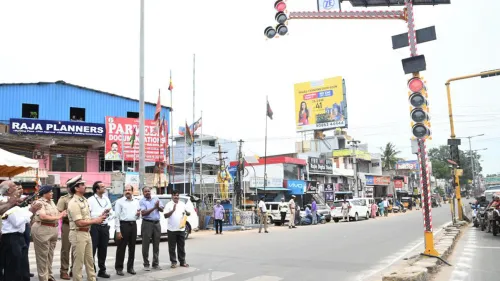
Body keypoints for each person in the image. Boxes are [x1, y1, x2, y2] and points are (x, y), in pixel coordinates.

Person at [66, 175, 107, 281]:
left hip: (86, 233)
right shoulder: (73, 203)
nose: (85, 186)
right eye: (82, 185)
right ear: (76, 188)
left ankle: (92, 279)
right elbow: (79, 222)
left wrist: (98, 217)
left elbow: (87, 217)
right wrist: (95, 221)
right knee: (78, 262)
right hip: (78, 233)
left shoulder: (84, 200)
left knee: (89, 260)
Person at [0, 180, 41, 281]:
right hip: (11, 238)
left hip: (19, 237)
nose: (18, 188)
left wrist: (30, 209)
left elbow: (23, 216)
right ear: (9, 190)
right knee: (13, 270)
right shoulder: (7, 203)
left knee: (21, 267)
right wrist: (32, 210)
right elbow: (17, 222)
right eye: (15, 186)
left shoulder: (14, 201)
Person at [31, 185, 67, 281]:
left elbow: (55, 214)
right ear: (44, 193)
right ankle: (43, 278)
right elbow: (43, 216)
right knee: (42, 256)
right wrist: (59, 216)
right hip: (42, 229)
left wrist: (62, 214)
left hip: (52, 230)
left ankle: (49, 276)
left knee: (50, 255)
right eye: (50, 192)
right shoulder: (39, 203)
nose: (52, 193)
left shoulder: (51, 202)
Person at [87, 181, 113, 278]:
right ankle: (92, 272)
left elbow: (112, 212)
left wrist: (108, 213)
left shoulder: (106, 199)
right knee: (92, 250)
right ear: (97, 189)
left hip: (104, 226)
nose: (104, 187)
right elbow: (88, 214)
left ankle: (102, 270)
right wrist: (100, 215)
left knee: (103, 249)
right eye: (102, 187)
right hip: (94, 227)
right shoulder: (90, 200)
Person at [114, 184, 141, 276]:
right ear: (124, 192)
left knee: (132, 247)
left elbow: (138, 216)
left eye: (129, 190)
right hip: (123, 225)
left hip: (133, 225)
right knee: (121, 248)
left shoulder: (136, 201)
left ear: (132, 191)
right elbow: (116, 217)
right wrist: (118, 230)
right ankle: (119, 268)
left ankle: (130, 268)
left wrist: (138, 214)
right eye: (126, 190)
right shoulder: (119, 202)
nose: (127, 191)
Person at [164, 190, 191, 268]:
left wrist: (188, 213)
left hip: (181, 229)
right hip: (171, 230)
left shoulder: (182, 204)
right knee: (172, 247)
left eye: (177, 195)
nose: (176, 197)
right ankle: (173, 262)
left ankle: (182, 261)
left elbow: (186, 212)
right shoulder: (168, 205)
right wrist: (172, 210)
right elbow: (165, 216)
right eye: (175, 195)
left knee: (181, 247)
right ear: (172, 196)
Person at [140, 187, 164, 271]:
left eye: (148, 191)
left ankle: (155, 264)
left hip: (156, 224)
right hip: (147, 223)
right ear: (143, 193)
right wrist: (154, 207)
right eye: (145, 191)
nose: (147, 192)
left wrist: (158, 207)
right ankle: (146, 264)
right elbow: (143, 213)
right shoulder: (142, 201)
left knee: (156, 245)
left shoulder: (156, 198)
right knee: (145, 245)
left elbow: (162, 209)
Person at [57, 185, 75, 280]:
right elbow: (59, 213)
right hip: (67, 225)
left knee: (76, 250)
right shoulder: (63, 199)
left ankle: (74, 270)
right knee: (65, 249)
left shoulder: (80, 198)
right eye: (69, 186)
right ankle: (64, 271)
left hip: (78, 226)